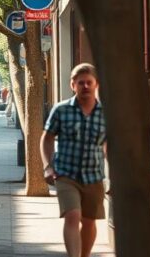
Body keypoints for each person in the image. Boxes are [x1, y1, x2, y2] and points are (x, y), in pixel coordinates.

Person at [41, 63, 106, 257]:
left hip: (93, 176)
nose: (85, 86)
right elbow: (47, 138)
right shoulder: (61, 110)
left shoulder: (105, 113)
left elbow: (110, 146)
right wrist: (47, 167)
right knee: (72, 215)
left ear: (96, 85)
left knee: (89, 221)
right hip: (66, 174)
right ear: (73, 85)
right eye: (80, 83)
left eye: (89, 82)